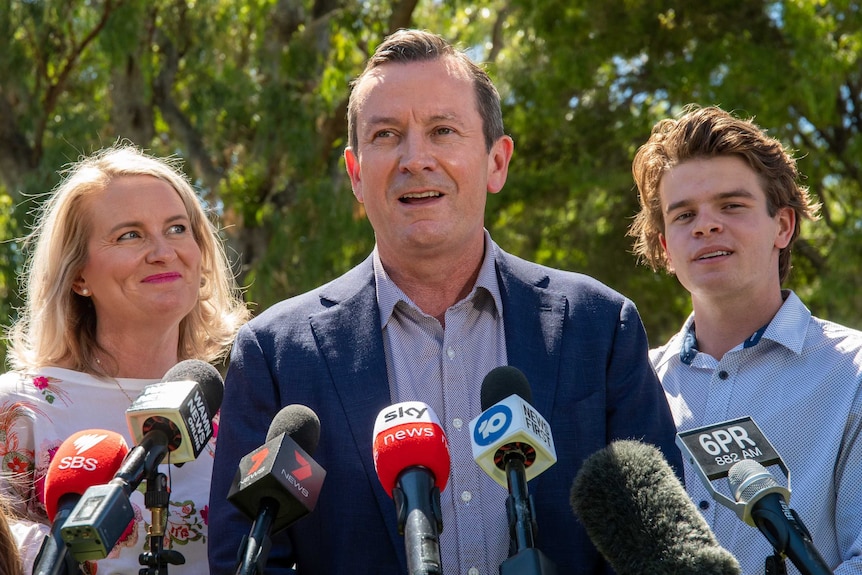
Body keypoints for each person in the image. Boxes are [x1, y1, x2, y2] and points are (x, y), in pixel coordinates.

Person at [208, 29, 681, 575]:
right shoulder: (276, 354)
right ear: (356, 174)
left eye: (443, 130)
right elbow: (247, 558)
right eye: (386, 135)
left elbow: (656, 552)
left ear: (496, 162)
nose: (416, 158)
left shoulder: (599, 328)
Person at [629, 105, 862, 574]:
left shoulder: (852, 376)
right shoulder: (635, 387)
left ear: (783, 226)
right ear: (664, 249)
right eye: (684, 215)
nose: (706, 225)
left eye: (731, 205)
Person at [0, 143, 250, 574]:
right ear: (78, 275)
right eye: (129, 235)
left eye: (176, 229)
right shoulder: (21, 411)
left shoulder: (241, 416)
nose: (162, 251)